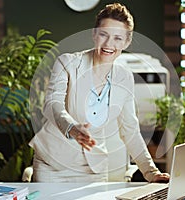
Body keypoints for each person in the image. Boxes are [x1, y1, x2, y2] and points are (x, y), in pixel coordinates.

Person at [29, 2, 170, 183]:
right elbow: (51, 104)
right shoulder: (68, 63)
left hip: (93, 169)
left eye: (118, 38)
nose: (109, 44)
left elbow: (130, 131)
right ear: (94, 34)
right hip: (53, 165)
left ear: (127, 41)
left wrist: (151, 172)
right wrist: (71, 128)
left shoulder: (124, 77)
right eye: (104, 34)